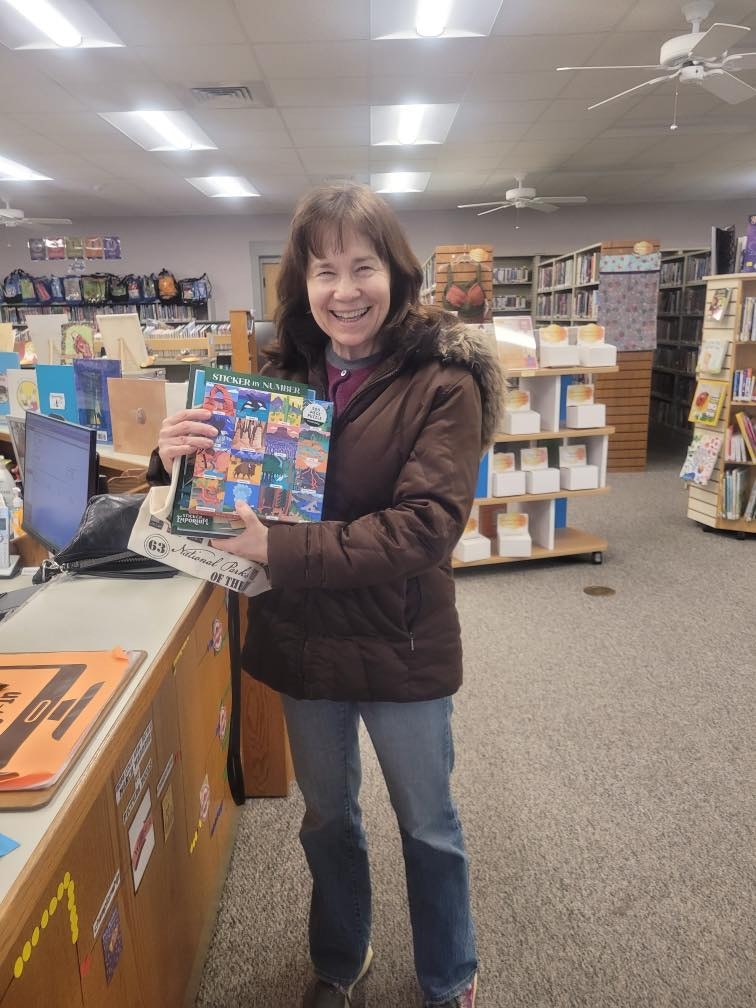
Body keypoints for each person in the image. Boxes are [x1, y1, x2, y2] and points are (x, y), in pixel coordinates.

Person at [150, 182, 504, 1007]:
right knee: (326, 821)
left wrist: (281, 547)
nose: (344, 291)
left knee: (428, 824)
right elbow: (221, 502)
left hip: (399, 639)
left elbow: (425, 528)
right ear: (300, 287)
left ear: (397, 273)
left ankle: (449, 975)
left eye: (362, 266)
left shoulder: (443, 383)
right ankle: (339, 959)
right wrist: (174, 462)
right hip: (304, 640)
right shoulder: (276, 379)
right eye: (323, 272)